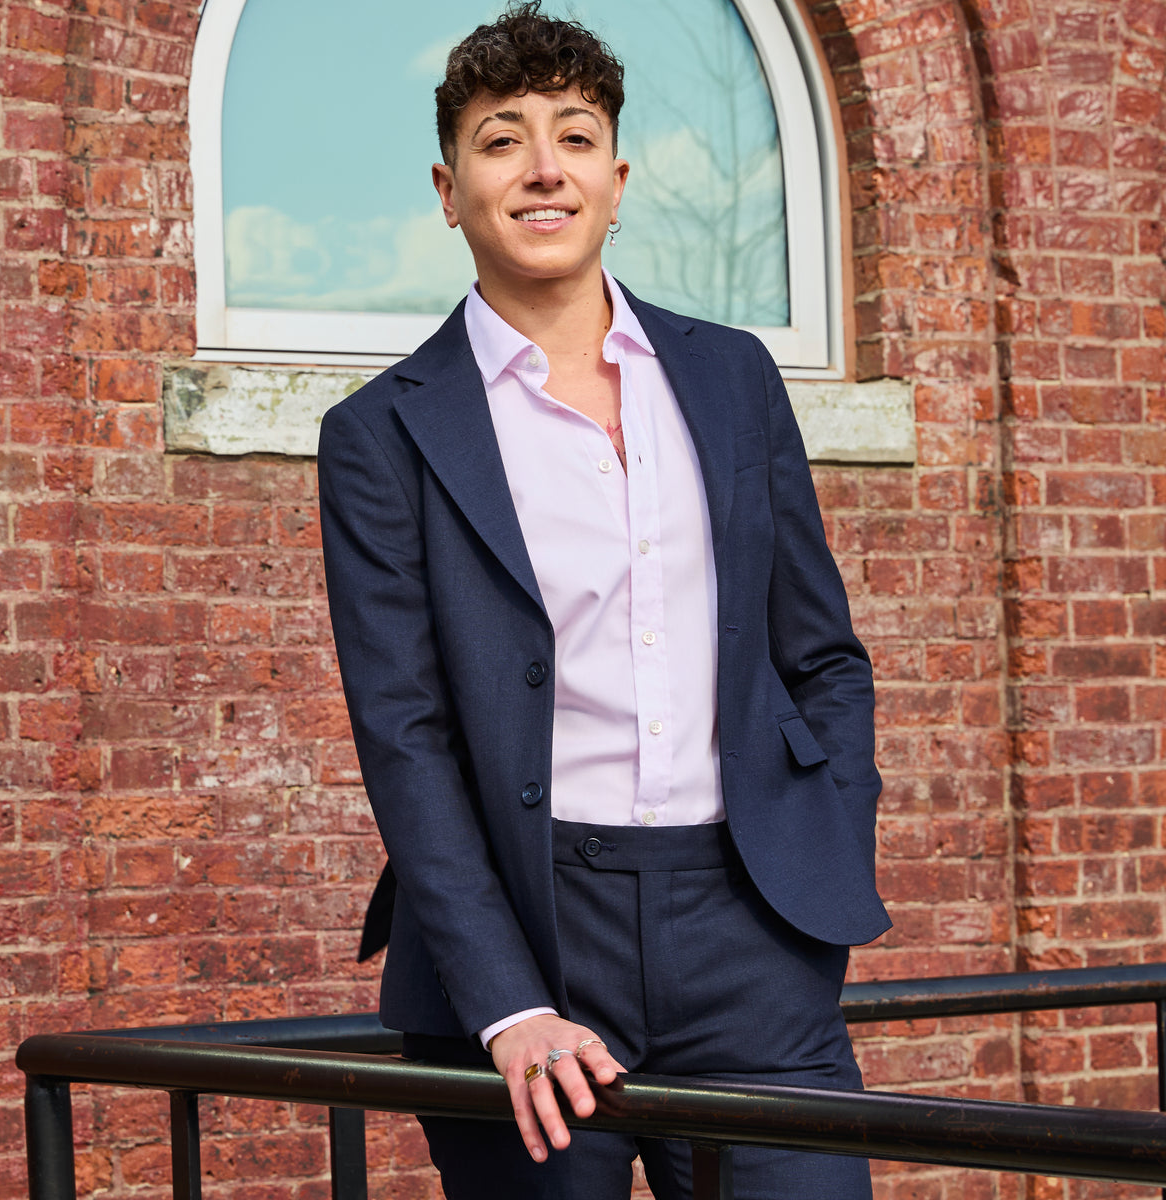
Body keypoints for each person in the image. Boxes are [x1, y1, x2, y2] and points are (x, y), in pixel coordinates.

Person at [317, 4, 890, 1196]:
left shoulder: (732, 377)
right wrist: (506, 1004)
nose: (544, 168)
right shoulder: (380, 435)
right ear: (449, 189)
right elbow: (405, 736)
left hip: (751, 934)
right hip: (526, 941)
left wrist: (826, 839)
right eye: (502, 140)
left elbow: (821, 654)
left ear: (615, 182)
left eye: (575, 137)